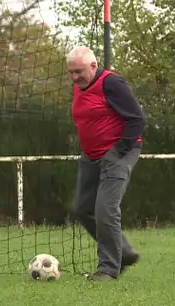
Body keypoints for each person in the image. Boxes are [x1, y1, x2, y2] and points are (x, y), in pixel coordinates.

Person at [67, 46, 146, 281]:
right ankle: (123, 251)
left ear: (93, 66)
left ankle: (108, 269)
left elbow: (138, 119)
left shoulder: (112, 84)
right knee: (82, 208)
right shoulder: (79, 87)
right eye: (70, 72)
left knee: (105, 209)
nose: (74, 77)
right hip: (90, 156)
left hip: (118, 153)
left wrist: (118, 150)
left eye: (78, 71)